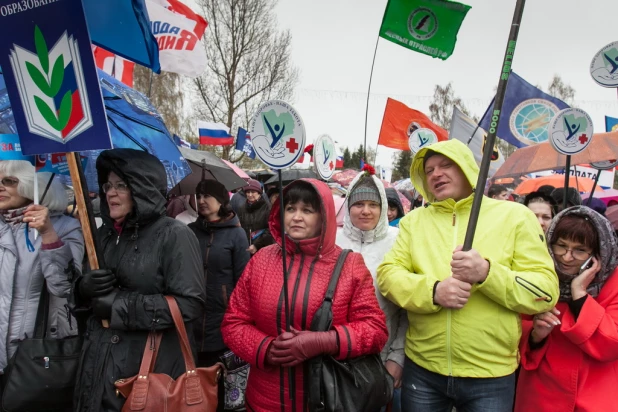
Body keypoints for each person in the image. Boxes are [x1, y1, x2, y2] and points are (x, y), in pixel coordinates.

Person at [377, 140, 559, 412]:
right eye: (429, 170)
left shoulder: (515, 217)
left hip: (491, 374)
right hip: (424, 369)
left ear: (468, 168)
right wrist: (434, 291)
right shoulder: (414, 222)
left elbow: (544, 292)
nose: (436, 174)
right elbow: (388, 276)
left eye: (446, 165)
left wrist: (487, 273)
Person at [221, 179, 388, 411]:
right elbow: (233, 323)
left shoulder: (350, 265)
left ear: (324, 217)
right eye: (290, 209)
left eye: (307, 210)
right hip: (263, 401)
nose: (296, 217)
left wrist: (323, 341)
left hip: (327, 400)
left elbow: (375, 330)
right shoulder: (261, 260)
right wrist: (266, 349)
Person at [71, 149, 205, 412]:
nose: (110, 192)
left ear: (143, 188)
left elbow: (189, 304)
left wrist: (119, 306)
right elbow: (87, 307)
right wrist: (82, 290)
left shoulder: (174, 234)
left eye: (121, 185)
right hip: (98, 370)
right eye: (108, 185)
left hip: (148, 371)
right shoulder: (102, 235)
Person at [515, 206, 618, 411]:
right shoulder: (537, 275)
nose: (566, 257)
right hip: (541, 394)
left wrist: (579, 295)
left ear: (599, 253)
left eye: (580, 250)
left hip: (595, 394)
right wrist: (536, 335)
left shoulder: (614, 282)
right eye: (561, 246)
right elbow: (514, 329)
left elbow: (612, 341)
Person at [0, 161, 84, 377]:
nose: (0, 187)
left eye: (9, 181)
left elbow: (64, 286)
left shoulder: (66, 227)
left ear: (33, 184)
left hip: (33, 351)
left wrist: (48, 234)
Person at [336, 170, 408, 412]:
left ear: (384, 207)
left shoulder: (399, 241)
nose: (365, 211)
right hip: (335, 359)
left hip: (382, 358)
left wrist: (397, 357)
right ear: (348, 206)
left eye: (372, 204)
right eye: (358, 204)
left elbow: (407, 308)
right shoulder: (333, 241)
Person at [188, 179, 250, 412]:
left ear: (222, 200)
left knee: (222, 385)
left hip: (222, 321)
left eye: (207, 196)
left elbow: (243, 281)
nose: (201, 201)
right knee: (194, 385)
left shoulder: (237, 234)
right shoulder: (189, 232)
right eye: (198, 195)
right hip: (192, 319)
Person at [237, 178, 273, 255]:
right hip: (246, 248)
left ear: (259, 193)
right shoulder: (241, 208)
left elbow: (270, 230)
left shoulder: (268, 208)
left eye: (253, 192)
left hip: (264, 249)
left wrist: (257, 245)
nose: (250, 195)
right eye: (248, 192)